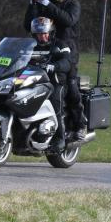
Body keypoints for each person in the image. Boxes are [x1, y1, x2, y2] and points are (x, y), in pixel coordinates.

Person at [23, 0, 87, 140]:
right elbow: (28, 25)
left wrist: (45, 2)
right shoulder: (46, 2)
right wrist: (33, 3)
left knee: (71, 87)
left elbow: (67, 20)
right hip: (42, 48)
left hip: (67, 53)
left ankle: (80, 124)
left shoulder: (73, 4)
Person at [29, 17, 72, 153]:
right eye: (39, 34)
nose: (42, 36)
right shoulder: (30, 46)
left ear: (50, 32)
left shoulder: (60, 45)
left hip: (55, 82)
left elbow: (67, 62)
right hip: (34, 81)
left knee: (54, 99)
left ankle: (60, 138)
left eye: (44, 33)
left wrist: (54, 66)